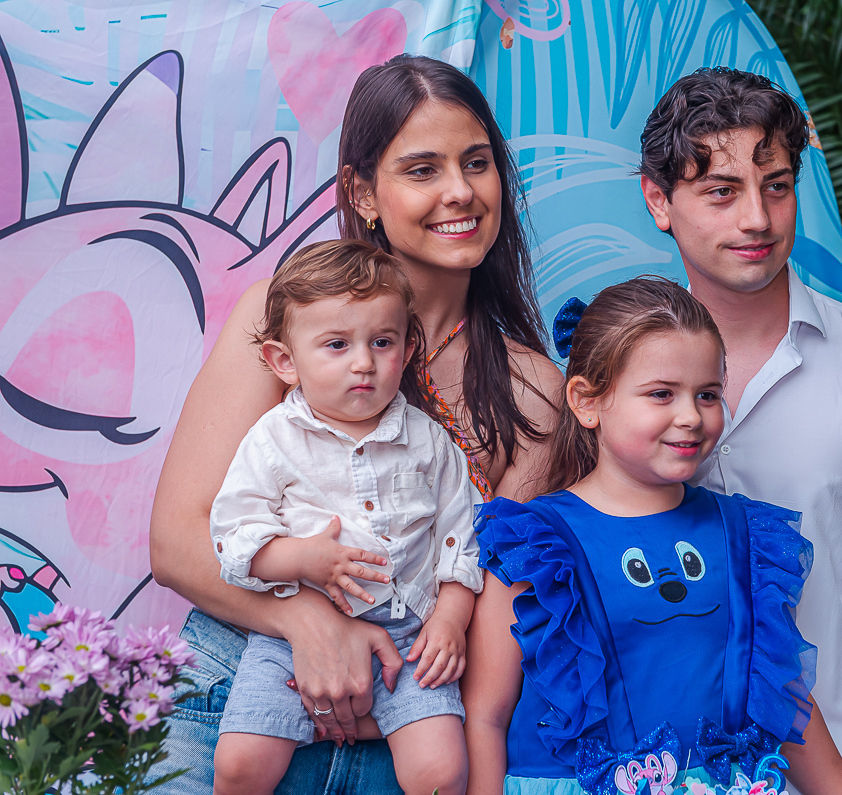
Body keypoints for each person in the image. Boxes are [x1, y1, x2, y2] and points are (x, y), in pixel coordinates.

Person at [149, 55, 561, 793]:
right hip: (233, 694)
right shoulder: (282, 314)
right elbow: (179, 541)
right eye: (423, 169)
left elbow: (485, 597)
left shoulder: (534, 390)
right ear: (362, 192)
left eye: (476, 163)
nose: (460, 191)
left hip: (403, 723)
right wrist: (311, 624)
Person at [636, 68, 842, 795]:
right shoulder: (612, 384)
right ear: (659, 200)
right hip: (653, 773)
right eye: (721, 191)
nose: (757, 217)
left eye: (776, 186)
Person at [463, 277, 842, 795]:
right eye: (661, 394)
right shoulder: (537, 546)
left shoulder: (747, 538)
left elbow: (783, 699)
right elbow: (485, 714)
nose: (690, 416)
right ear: (586, 401)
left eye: (708, 394)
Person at [208, 240, 482, 795]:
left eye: (382, 342)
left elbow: (461, 536)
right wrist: (301, 558)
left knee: (443, 770)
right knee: (239, 762)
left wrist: (451, 620)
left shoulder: (430, 443)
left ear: (406, 350)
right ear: (284, 362)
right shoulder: (273, 440)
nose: (363, 363)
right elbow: (233, 536)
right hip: (292, 641)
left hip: (411, 638)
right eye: (337, 345)